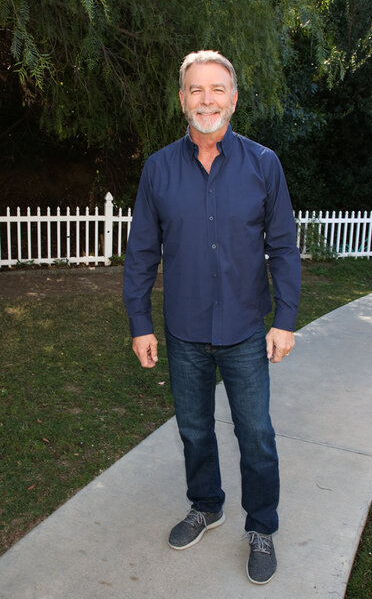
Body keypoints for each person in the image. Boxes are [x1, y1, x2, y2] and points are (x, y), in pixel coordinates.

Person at [123, 50, 301, 585]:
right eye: (196, 90)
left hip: (247, 330)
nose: (207, 100)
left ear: (234, 98)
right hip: (183, 331)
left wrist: (285, 318)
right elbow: (141, 255)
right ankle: (207, 504)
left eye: (217, 89)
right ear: (183, 100)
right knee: (195, 431)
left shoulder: (263, 164)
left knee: (257, 436)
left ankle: (262, 526)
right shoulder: (158, 168)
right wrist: (140, 323)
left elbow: (285, 247)